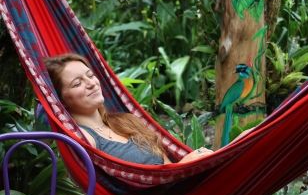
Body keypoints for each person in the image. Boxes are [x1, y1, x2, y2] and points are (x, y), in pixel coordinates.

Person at [44, 53, 213, 165]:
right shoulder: (85, 139)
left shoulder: (127, 121)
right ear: (60, 101)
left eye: (90, 75)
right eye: (77, 83)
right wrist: (185, 164)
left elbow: (169, 168)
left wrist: (185, 166)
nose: (91, 83)